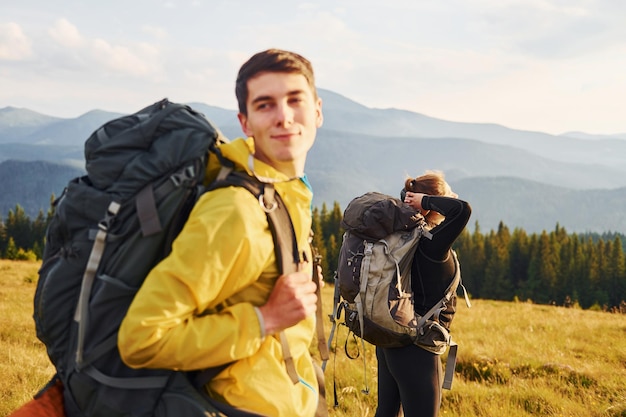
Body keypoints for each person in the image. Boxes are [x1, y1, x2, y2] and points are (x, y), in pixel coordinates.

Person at [118, 49, 324, 417]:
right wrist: (265, 320)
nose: (284, 117)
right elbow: (142, 337)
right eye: (265, 105)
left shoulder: (285, 193)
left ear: (318, 111)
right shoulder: (237, 211)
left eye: (295, 100)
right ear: (245, 124)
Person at [374, 170, 472, 417]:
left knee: (385, 412)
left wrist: (418, 200)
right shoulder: (431, 244)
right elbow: (463, 209)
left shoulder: (400, 238)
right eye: (448, 195)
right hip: (417, 347)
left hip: (391, 341)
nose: (454, 197)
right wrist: (423, 201)